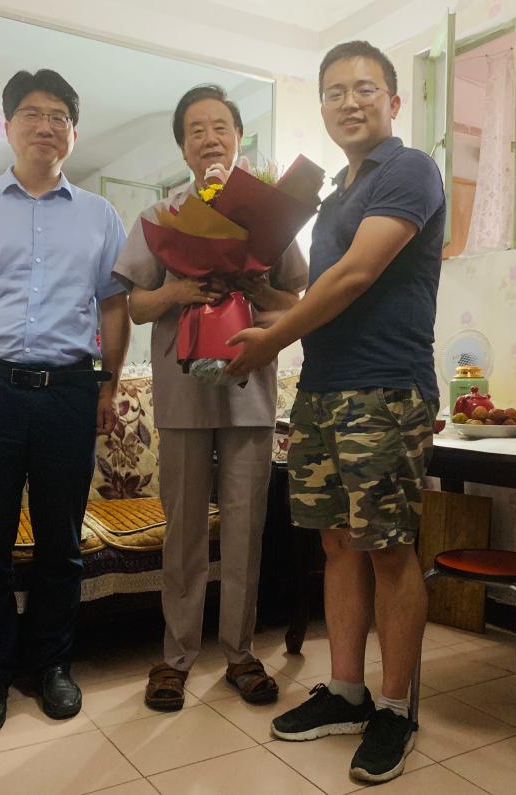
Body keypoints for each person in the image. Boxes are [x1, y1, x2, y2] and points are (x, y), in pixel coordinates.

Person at [227, 41, 445, 784]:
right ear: (321, 105)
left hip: (384, 389)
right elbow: (318, 298)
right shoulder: (334, 198)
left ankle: (395, 709)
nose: (349, 102)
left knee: (388, 549)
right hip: (322, 390)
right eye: (334, 92)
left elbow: (356, 275)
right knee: (338, 545)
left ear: (394, 101)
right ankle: (347, 692)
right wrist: (253, 295)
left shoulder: (409, 170)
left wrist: (271, 339)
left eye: (365, 88)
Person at [0, 69, 130, 736]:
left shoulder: (100, 215)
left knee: (62, 543)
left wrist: (108, 385)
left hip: (69, 392)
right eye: (33, 113)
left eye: (60, 115)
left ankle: (52, 664)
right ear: (7, 127)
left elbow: (114, 307)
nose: (46, 126)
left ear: (73, 133)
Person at [112, 84, 308, 712]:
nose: (209, 138)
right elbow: (135, 305)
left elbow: (296, 301)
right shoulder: (162, 217)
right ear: (182, 147)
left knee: (247, 529)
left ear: (239, 138)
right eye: (195, 129)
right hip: (182, 395)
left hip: (250, 391)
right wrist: (178, 291)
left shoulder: (268, 214)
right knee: (184, 533)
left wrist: (253, 286)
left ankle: (241, 654)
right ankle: (175, 659)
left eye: (220, 126)